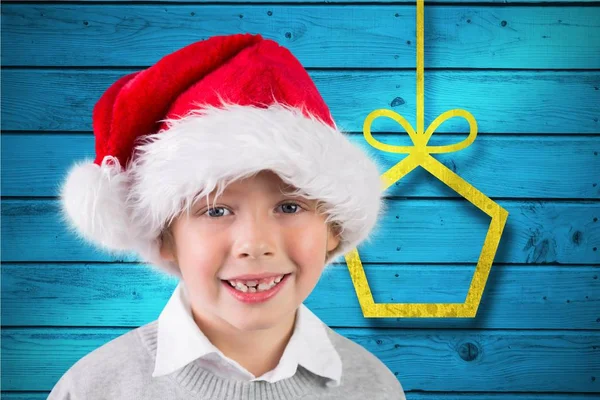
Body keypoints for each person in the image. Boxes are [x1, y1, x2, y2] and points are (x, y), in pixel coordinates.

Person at [48, 32, 406, 399]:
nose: (254, 244)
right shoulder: (94, 389)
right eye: (216, 210)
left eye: (289, 207)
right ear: (165, 238)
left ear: (334, 228)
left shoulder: (373, 387)